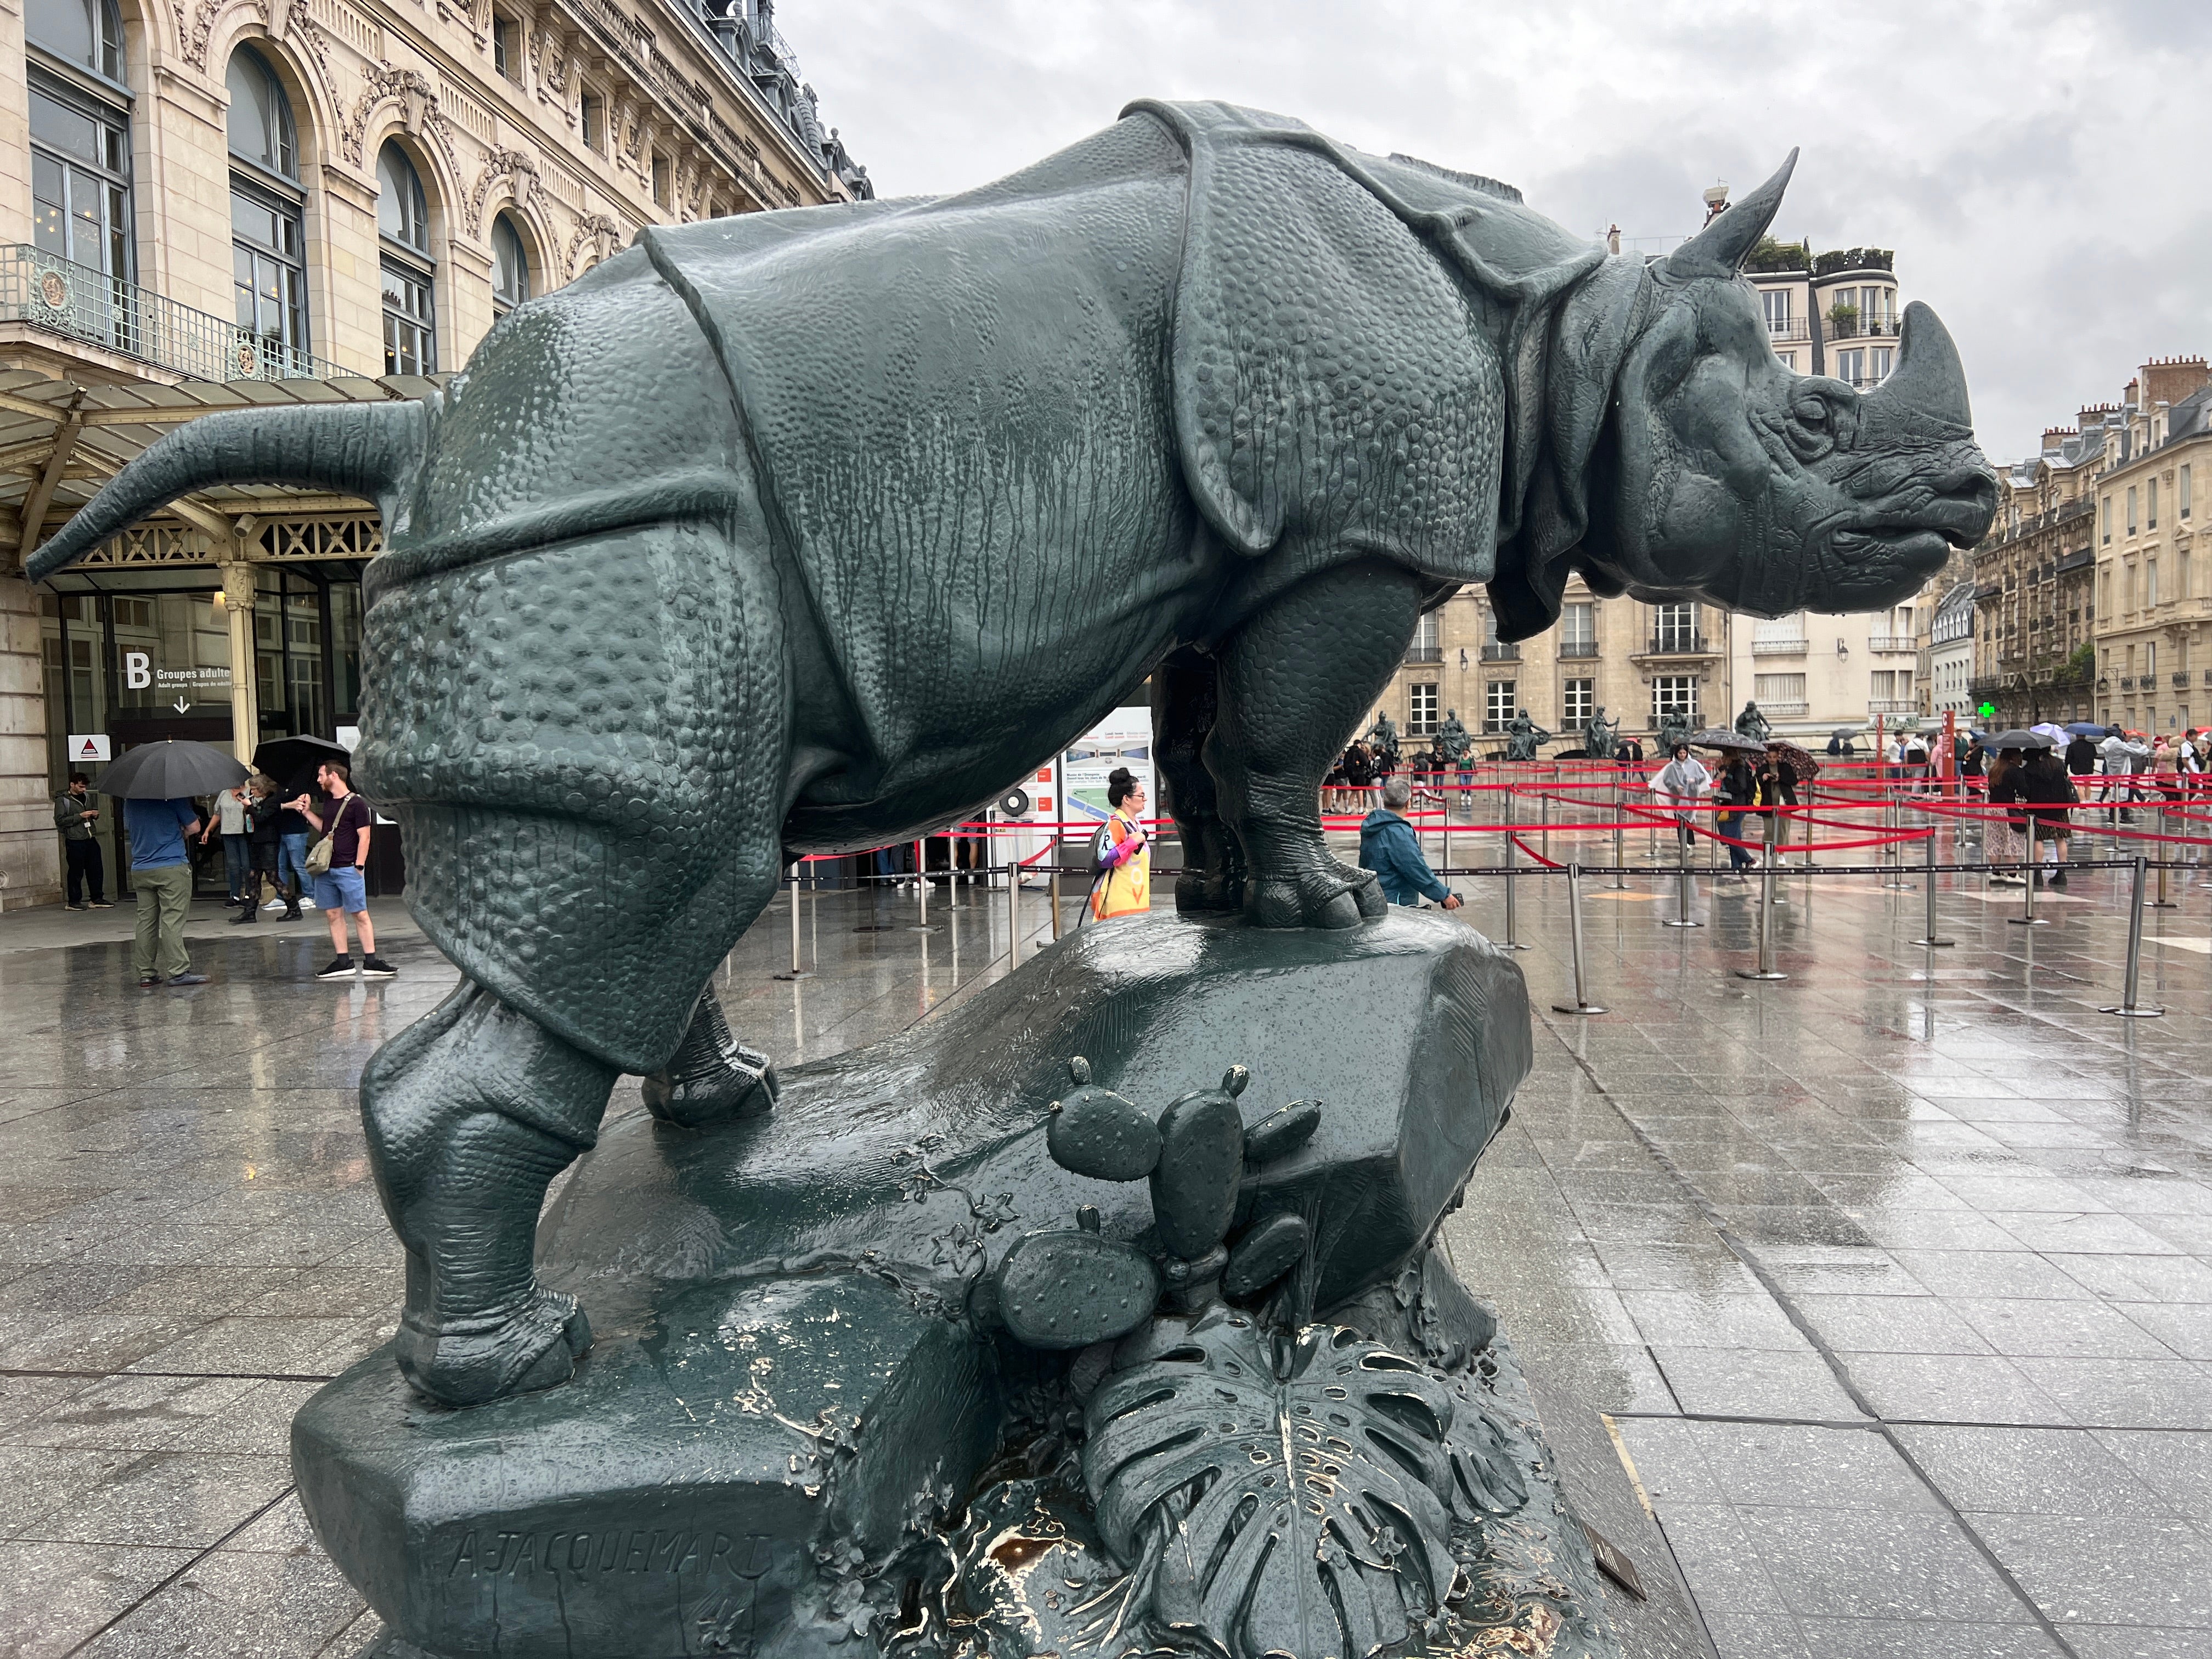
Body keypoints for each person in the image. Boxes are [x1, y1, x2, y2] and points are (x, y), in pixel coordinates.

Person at [292, 760, 396, 979]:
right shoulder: (329, 803)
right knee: (333, 914)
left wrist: (359, 865)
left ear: (334, 776)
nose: (319, 780)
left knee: (360, 913)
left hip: (349, 867)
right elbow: (326, 832)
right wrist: (308, 813)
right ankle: (343, 961)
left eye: (321, 775)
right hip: (327, 868)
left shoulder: (357, 803)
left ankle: (371, 961)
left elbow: (364, 836)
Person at [123, 793, 208, 986]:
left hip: (141, 867)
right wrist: (183, 833)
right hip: (171, 865)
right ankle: (178, 971)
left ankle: (146, 973)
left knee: (146, 920)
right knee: (172, 920)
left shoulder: (130, 801)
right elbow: (195, 827)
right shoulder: (173, 797)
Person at [1358, 775, 1462, 910]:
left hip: (1373, 896)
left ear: (1384, 801)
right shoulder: (1398, 832)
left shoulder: (1373, 824)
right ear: (1409, 802)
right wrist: (1443, 895)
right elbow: (1415, 868)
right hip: (1395, 901)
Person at [1088, 766, 1150, 922]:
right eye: (1141, 795)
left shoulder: (1134, 824)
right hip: (1121, 903)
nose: (1145, 799)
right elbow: (1104, 859)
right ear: (1127, 799)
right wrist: (1131, 843)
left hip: (1136, 899)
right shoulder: (1116, 824)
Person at [53, 772, 111, 910]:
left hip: (90, 837)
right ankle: (73, 901)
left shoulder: (87, 797)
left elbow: (89, 815)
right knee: (76, 871)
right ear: (72, 785)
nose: (83, 790)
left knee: (96, 869)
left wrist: (94, 815)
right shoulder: (63, 800)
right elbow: (60, 820)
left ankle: (96, 898)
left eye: (85, 787)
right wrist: (79, 816)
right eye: (80, 787)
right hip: (74, 839)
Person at [2021, 746, 2076, 887]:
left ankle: (2038, 873)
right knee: (2060, 838)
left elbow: (2026, 789)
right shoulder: (2059, 764)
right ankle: (2061, 873)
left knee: (2038, 839)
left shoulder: (2031, 768)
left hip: (2038, 808)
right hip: (2060, 807)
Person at [232, 776, 284, 924]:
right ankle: (249, 913)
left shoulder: (272, 801)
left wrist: (250, 807)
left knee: (272, 877)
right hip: (257, 842)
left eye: (254, 789)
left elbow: (262, 818)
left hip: (269, 843)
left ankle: (293, 906)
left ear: (262, 789)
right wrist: (248, 809)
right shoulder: (259, 801)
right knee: (254, 877)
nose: (252, 792)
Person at [1650, 742, 1712, 851]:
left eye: (1684, 753)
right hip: (1676, 796)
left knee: (1688, 818)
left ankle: (1690, 840)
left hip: (1691, 795)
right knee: (1679, 819)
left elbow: (1702, 776)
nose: (1682, 755)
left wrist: (1695, 780)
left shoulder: (1694, 764)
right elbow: (1666, 780)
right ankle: (1682, 841)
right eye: (1680, 753)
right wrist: (1676, 785)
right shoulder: (1672, 766)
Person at [201, 781, 253, 909]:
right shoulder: (224, 793)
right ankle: (234, 895)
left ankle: (249, 895)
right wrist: (208, 831)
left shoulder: (249, 792)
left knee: (247, 866)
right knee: (233, 865)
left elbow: (254, 810)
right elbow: (217, 814)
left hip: (244, 833)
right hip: (228, 833)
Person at [1984, 747, 2028, 885]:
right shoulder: (2015, 771)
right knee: (2011, 840)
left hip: (1993, 809)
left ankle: (1996, 873)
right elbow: (2024, 790)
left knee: (1994, 840)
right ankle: (2012, 874)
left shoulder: (1994, 770)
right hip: (2008, 809)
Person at [270, 784, 313, 917]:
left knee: (299, 865)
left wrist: (284, 805)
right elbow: (274, 806)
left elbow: (301, 806)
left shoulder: (301, 789)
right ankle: (282, 896)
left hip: (296, 831)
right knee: (280, 866)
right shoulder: (278, 788)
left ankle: (310, 895)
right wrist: (288, 805)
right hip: (281, 831)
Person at [1714, 750, 1759, 874]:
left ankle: (1749, 859)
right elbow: (1727, 778)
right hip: (1728, 805)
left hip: (1738, 805)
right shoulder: (1731, 768)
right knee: (1734, 836)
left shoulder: (1740, 769)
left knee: (1729, 836)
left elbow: (1740, 787)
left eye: (1725, 756)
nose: (1723, 758)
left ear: (1731, 757)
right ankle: (1737, 866)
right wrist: (1721, 769)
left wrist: (1725, 778)